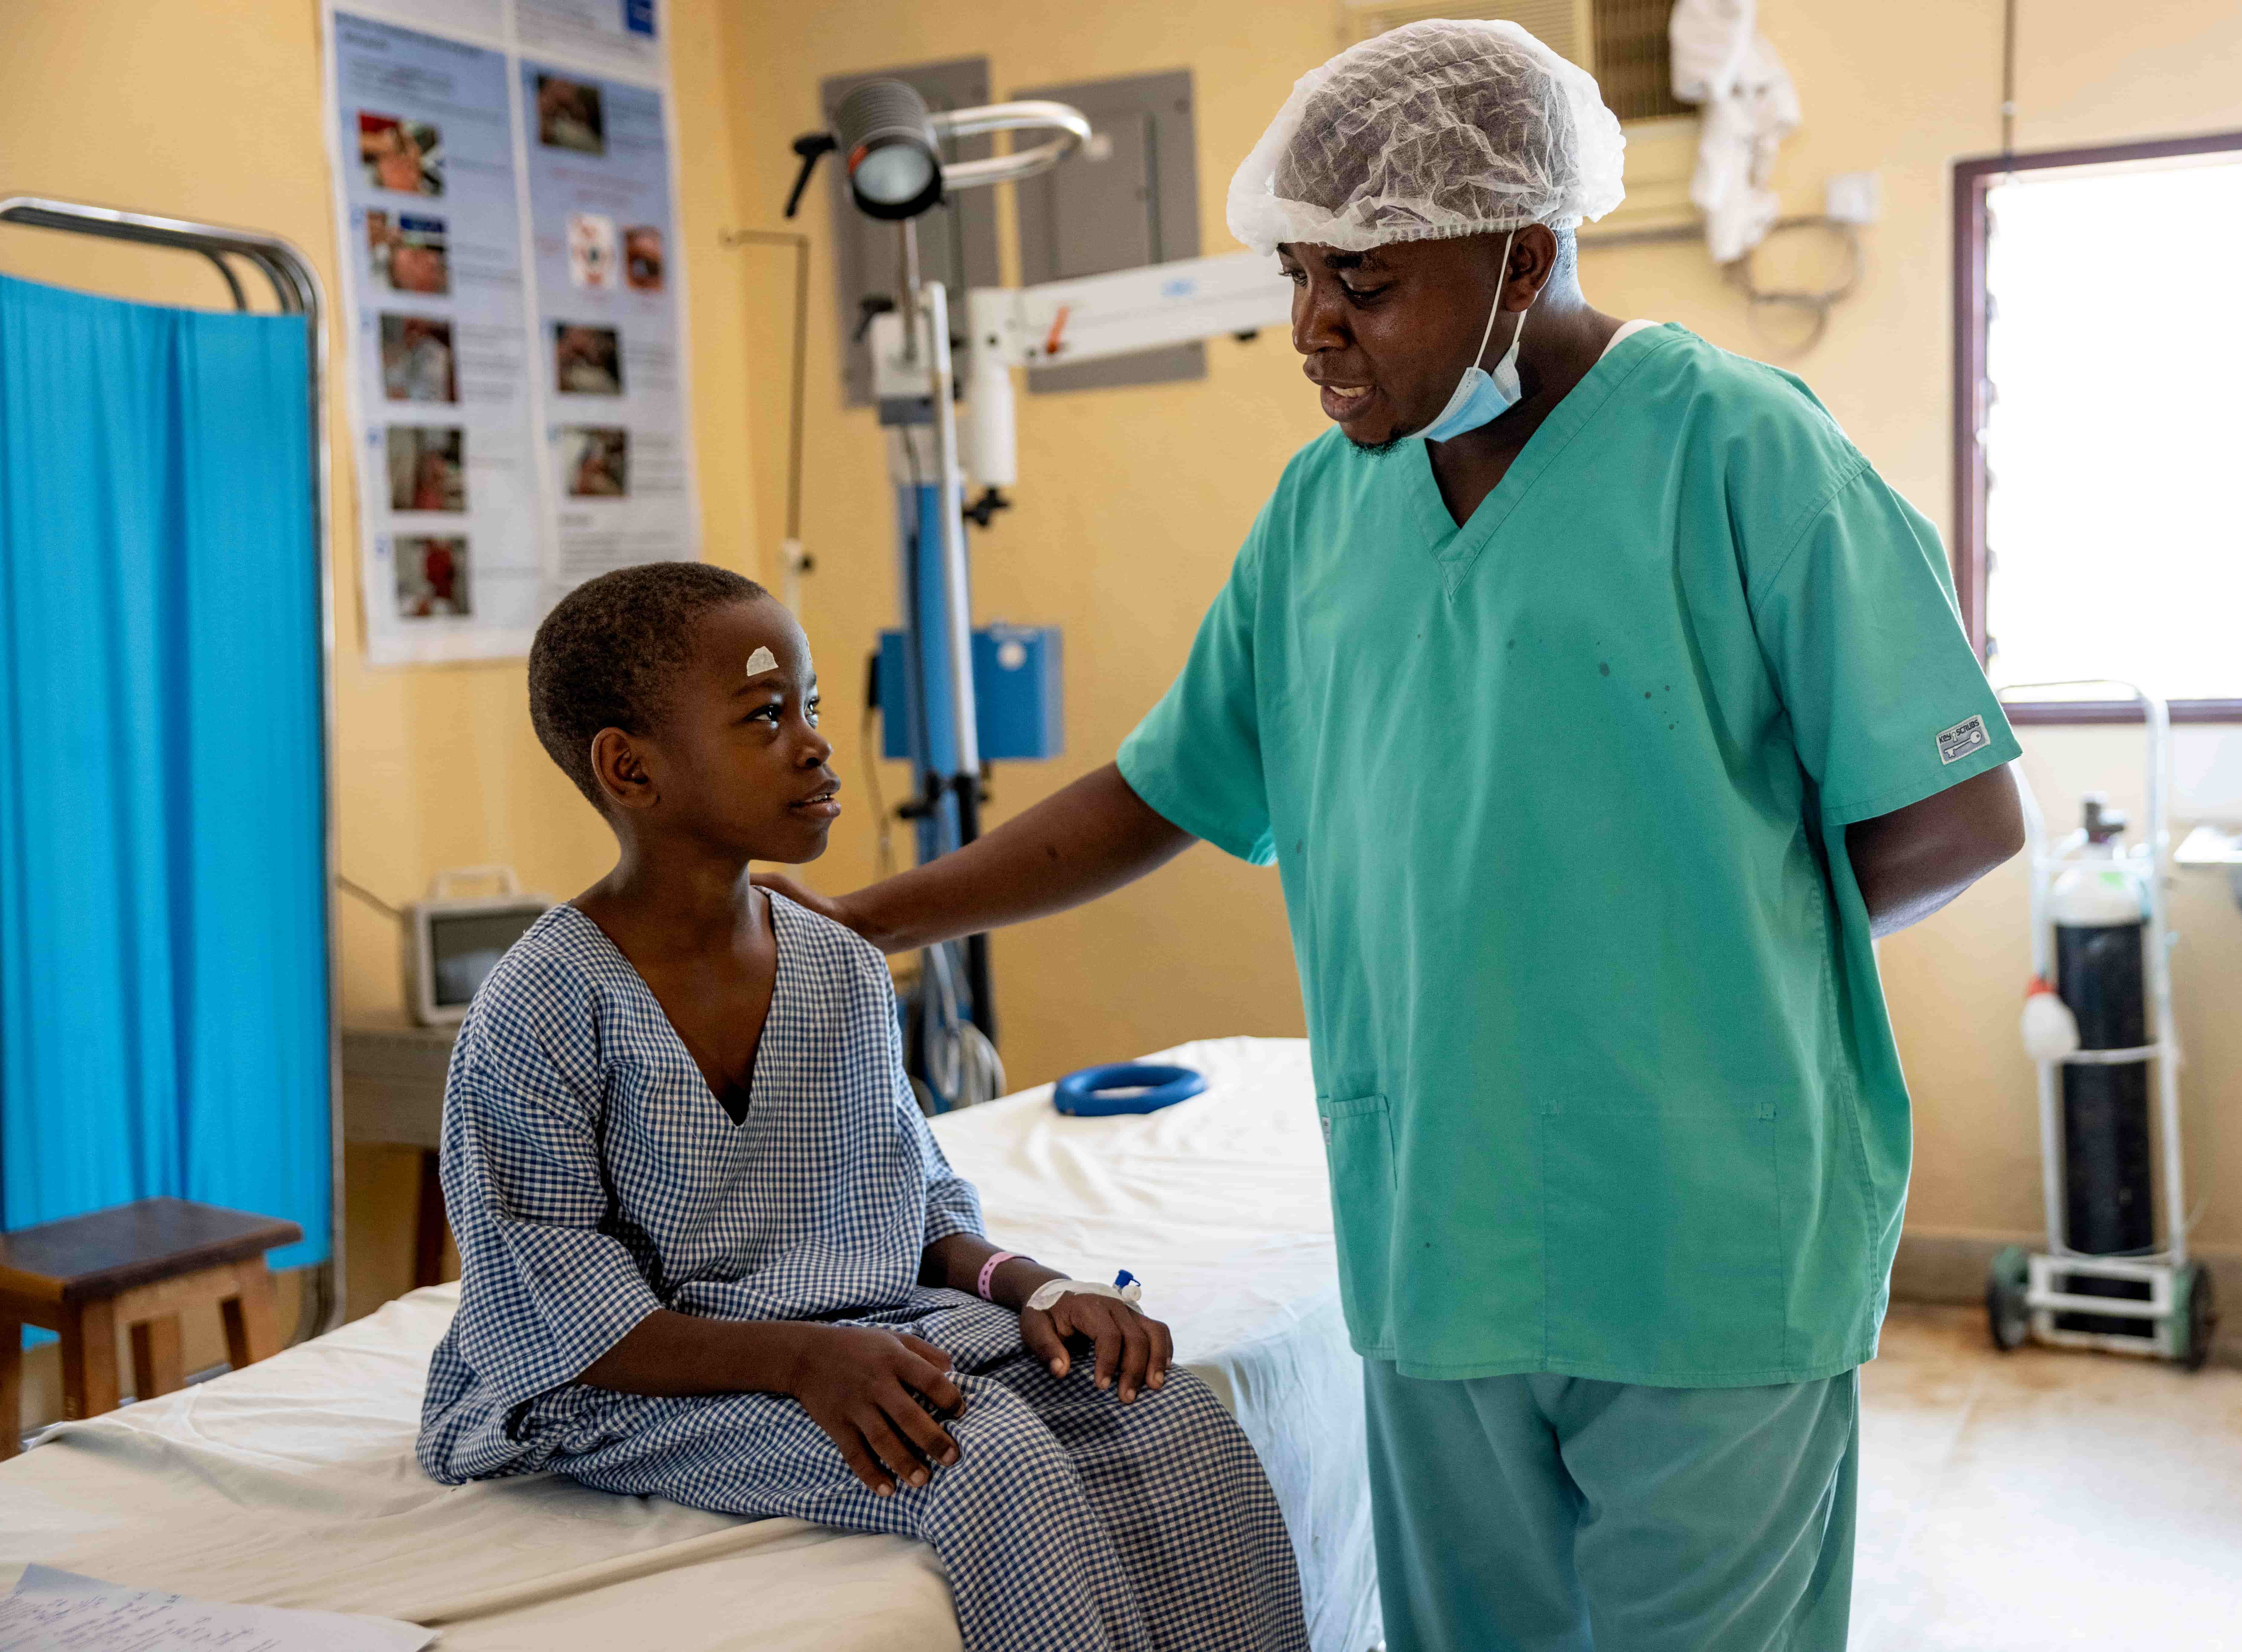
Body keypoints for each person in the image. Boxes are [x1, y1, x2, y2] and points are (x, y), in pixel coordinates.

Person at [768, 20, 2026, 1651]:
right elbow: (1161, 790)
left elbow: (1958, 807)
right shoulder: (1323, 512)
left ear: (1519, 254)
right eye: (1298, 277)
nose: (1311, 327)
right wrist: (864, 921)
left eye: (1362, 282)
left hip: (1706, 1227)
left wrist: (1717, 934)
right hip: (1443, 1226)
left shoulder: (1739, 452)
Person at [419, 563, 1310, 1652]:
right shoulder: (543, 1008)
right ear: (630, 769)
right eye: (764, 716)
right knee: (984, 1458)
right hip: (619, 1385)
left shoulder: (836, 969)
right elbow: (551, 1312)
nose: (814, 744)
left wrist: (1039, 1285)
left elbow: (916, 1208)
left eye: (812, 707)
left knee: (1163, 1417)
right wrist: (801, 1361)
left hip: (855, 1338)